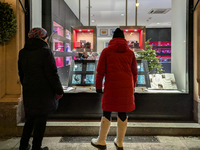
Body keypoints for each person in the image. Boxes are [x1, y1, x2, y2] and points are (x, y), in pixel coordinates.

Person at [91, 28, 138, 150]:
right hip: (127, 87)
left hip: (111, 87)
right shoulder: (130, 53)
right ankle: (120, 142)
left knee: (107, 111)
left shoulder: (106, 51)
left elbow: (99, 72)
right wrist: (133, 87)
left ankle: (101, 140)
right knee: (123, 112)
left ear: (113, 38)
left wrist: (98, 87)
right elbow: (135, 73)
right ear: (124, 39)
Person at [18, 27, 64, 150]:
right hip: (44, 92)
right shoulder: (45, 51)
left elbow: (21, 73)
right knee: (41, 121)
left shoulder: (23, 52)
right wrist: (59, 90)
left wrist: (27, 85)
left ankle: (23, 145)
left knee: (30, 119)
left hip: (29, 90)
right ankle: (36, 147)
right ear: (43, 38)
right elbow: (52, 74)